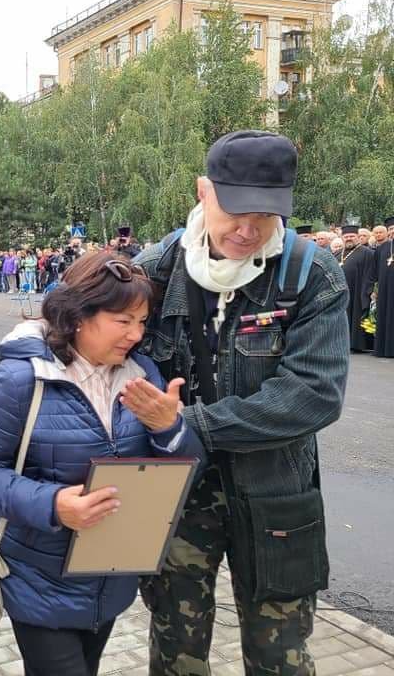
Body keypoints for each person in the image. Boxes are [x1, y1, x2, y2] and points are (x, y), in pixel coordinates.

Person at [134, 130, 349, 675]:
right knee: (175, 651)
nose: (248, 229)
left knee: (281, 658)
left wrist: (191, 423)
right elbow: (95, 349)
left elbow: (313, 396)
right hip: (175, 495)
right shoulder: (157, 271)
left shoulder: (311, 276)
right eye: (234, 210)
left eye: (266, 214)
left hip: (275, 493)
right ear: (203, 191)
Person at [0, 252, 204, 676]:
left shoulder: (142, 374)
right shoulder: (21, 380)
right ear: (77, 316)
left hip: (109, 579)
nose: (136, 335)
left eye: (142, 322)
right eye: (123, 321)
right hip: (39, 581)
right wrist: (53, 505)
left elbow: (182, 472)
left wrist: (169, 429)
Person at [337, 224, 375, 353]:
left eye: (352, 236)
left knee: (354, 317)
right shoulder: (337, 253)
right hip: (338, 293)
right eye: (346, 236)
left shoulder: (368, 253)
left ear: (358, 237)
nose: (349, 239)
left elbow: (370, 274)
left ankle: (355, 344)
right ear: (342, 237)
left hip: (357, 291)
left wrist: (367, 292)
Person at [372, 216, 394, 358]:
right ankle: (384, 349)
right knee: (385, 316)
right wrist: (374, 290)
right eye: (391, 229)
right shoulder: (383, 248)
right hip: (385, 291)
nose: (393, 231)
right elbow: (374, 272)